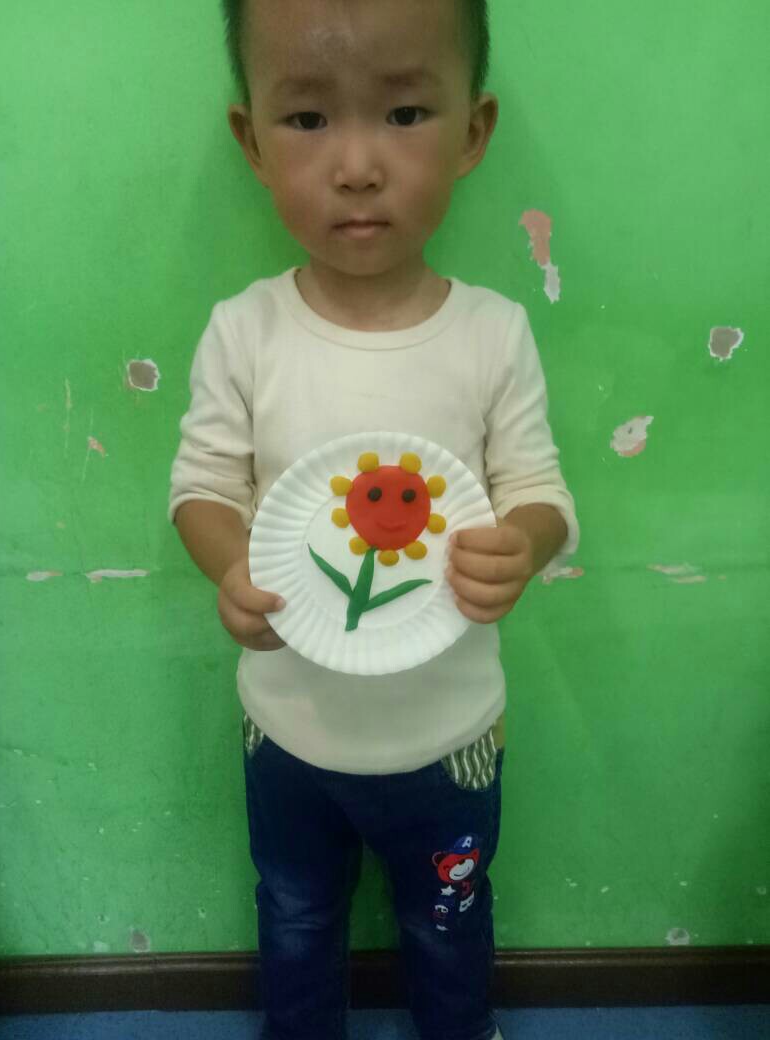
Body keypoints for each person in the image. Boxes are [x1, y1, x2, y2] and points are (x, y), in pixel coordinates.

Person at [168, 1, 580, 1037]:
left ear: (473, 132)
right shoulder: (245, 332)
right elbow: (200, 487)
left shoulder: (493, 333)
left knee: (448, 922)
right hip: (287, 727)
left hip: (450, 734)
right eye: (308, 119)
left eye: (403, 112)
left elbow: (540, 488)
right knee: (296, 914)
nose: (356, 167)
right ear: (252, 140)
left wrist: (525, 544)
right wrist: (230, 568)